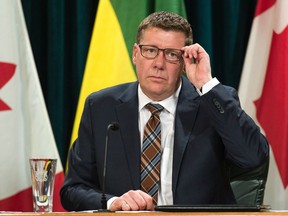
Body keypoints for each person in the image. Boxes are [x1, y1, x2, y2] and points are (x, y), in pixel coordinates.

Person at [60, 11, 269, 211]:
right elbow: (72, 190)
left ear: (184, 62)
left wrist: (206, 85)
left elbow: (253, 158)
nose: (159, 64)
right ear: (135, 54)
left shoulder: (212, 104)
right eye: (150, 50)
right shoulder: (101, 107)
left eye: (171, 55)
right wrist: (113, 202)